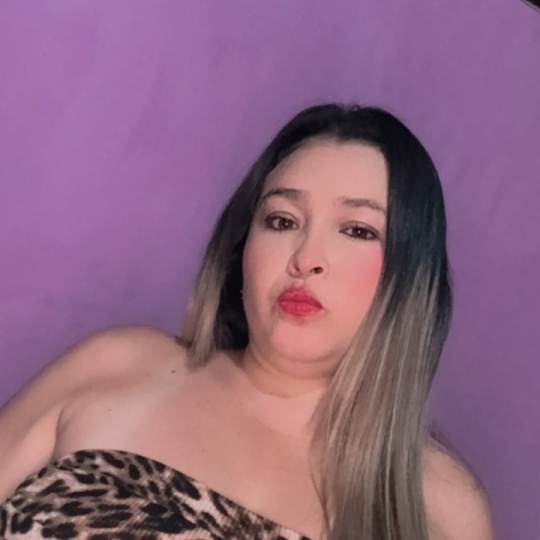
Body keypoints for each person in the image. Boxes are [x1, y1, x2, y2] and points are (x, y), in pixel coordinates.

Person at [0, 104, 493, 540]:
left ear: (411, 278)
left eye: (357, 230)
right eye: (282, 221)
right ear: (242, 247)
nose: (306, 258)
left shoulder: (441, 504)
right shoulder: (117, 364)